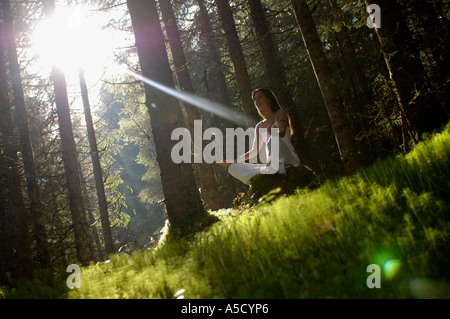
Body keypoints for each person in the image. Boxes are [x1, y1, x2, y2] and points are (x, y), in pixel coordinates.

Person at [217, 88, 300, 184]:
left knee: (273, 139)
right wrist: (232, 161)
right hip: (271, 164)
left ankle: (274, 172)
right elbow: (254, 151)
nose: (257, 101)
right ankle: (267, 175)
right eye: (255, 99)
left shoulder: (280, 113)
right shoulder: (259, 126)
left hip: (287, 157)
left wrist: (274, 133)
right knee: (232, 168)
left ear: (269, 99)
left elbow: (281, 132)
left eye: (260, 97)